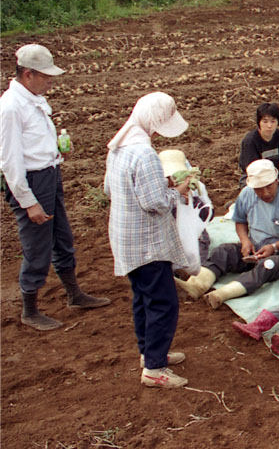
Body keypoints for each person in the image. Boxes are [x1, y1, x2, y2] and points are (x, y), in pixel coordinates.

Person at [0, 44, 109, 331]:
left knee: (62, 237)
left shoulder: (33, 99)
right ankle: (30, 310)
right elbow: (10, 162)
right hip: (32, 183)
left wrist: (56, 149)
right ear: (27, 74)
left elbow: (32, 144)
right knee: (37, 246)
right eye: (46, 75)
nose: (51, 81)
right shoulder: (11, 107)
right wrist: (29, 201)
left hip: (49, 175)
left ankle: (74, 294)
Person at [104, 92, 195, 388]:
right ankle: (155, 369)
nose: (157, 131)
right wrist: (176, 191)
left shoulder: (119, 147)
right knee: (163, 302)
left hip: (124, 237)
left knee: (143, 297)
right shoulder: (144, 154)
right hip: (147, 243)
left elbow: (109, 189)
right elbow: (154, 202)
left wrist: (160, 183)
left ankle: (150, 352)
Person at [176, 159, 279, 309]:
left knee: (268, 265)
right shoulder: (246, 194)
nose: (265, 193)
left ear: (276, 179)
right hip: (255, 247)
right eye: (259, 189)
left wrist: (274, 246)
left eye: (269, 187)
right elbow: (240, 221)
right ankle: (196, 286)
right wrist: (245, 240)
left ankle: (221, 294)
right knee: (223, 251)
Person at [158, 149, 214, 264]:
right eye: (168, 176)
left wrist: (192, 203)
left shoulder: (196, 187)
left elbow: (209, 215)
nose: (173, 180)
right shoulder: (158, 190)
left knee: (195, 260)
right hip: (168, 237)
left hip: (194, 235)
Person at [238, 102, 279, 188]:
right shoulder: (250, 141)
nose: (269, 126)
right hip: (253, 178)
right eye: (265, 121)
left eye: (273, 121)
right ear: (259, 122)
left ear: (278, 122)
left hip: (275, 176)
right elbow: (252, 171)